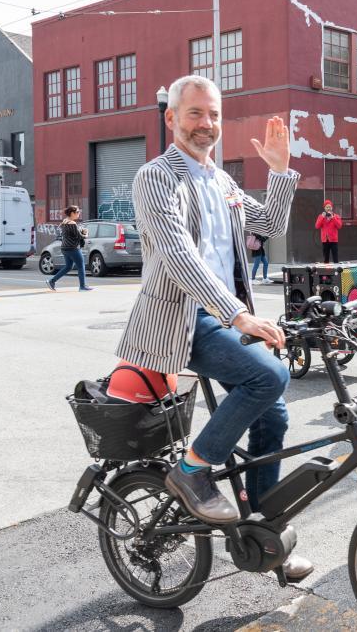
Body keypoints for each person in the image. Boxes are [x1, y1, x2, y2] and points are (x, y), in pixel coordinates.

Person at [114, 75, 310, 577]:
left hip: (225, 315)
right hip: (183, 318)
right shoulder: (157, 177)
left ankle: (265, 536)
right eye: (196, 113)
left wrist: (281, 173)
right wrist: (237, 313)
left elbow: (269, 227)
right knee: (268, 378)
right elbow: (177, 255)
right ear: (172, 118)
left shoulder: (221, 182)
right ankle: (192, 472)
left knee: (274, 418)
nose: (207, 124)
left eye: (214, 115)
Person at [46, 206, 93, 291]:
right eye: (77, 212)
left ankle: (52, 281)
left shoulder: (64, 222)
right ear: (72, 213)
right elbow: (79, 237)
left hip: (65, 248)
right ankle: (82, 287)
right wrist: (86, 233)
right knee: (81, 266)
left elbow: (71, 235)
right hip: (72, 248)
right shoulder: (72, 223)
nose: (79, 213)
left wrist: (80, 232)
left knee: (68, 267)